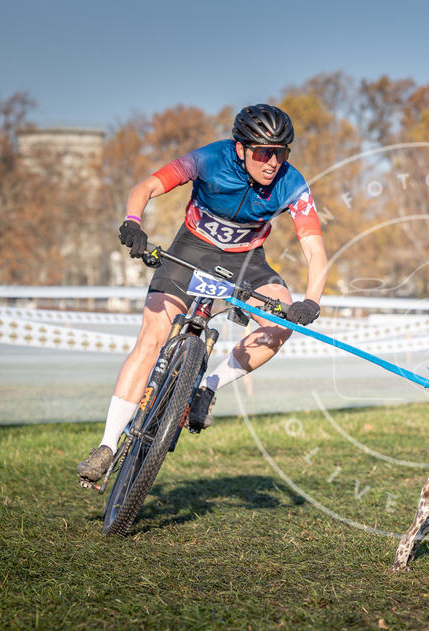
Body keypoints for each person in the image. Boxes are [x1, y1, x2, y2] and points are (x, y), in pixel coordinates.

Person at [77, 104, 327, 483]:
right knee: (152, 339)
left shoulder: (292, 183)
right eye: (263, 151)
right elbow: (146, 187)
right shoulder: (210, 158)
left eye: (281, 151)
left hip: (246, 262)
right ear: (240, 149)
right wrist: (132, 224)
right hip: (190, 251)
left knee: (281, 324)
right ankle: (108, 445)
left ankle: (207, 388)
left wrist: (311, 301)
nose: (273, 161)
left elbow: (314, 249)